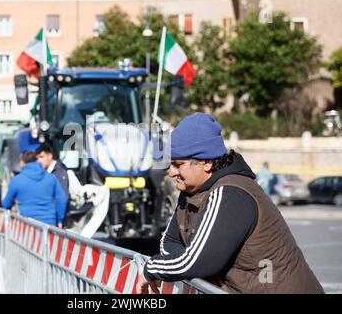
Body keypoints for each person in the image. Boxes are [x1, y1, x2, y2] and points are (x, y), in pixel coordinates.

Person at [136, 113, 323, 294]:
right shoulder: (192, 191)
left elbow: (196, 262)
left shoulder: (231, 193)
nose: (171, 172)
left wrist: (152, 267)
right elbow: (169, 243)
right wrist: (186, 264)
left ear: (206, 163)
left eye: (178, 164)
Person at [1, 151, 68, 227]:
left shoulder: (17, 180)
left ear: (22, 162)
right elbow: (62, 199)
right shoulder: (51, 178)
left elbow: (6, 204)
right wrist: (60, 220)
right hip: (49, 224)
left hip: (27, 225)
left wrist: (12, 203)